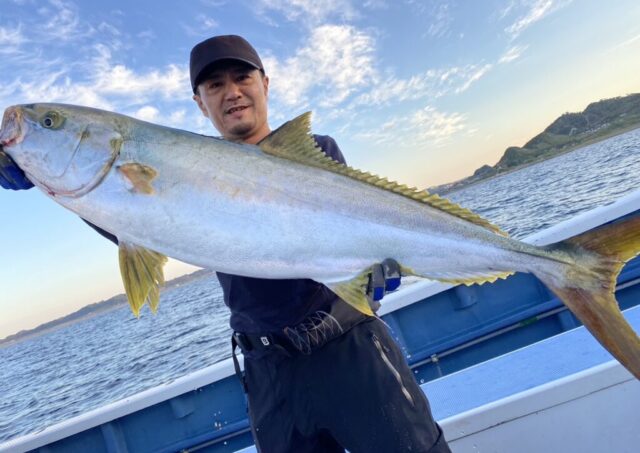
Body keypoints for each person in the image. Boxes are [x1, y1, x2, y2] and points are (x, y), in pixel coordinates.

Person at [0, 35, 450, 452]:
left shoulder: (317, 153)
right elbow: (132, 216)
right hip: (269, 372)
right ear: (200, 103)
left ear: (264, 83)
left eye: (242, 77)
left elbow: (356, 235)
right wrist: (43, 171)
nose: (231, 92)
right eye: (215, 85)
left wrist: (372, 271)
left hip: (351, 350)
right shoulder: (184, 172)